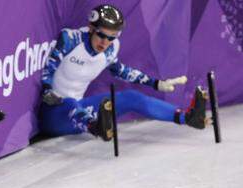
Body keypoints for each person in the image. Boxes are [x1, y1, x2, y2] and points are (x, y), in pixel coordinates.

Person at [38, 4, 210, 142]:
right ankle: (96, 127)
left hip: (80, 110)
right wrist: (47, 91)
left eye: (112, 37)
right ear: (91, 28)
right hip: (53, 114)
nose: (106, 42)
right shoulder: (70, 39)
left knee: (131, 97)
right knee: (69, 103)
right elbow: (49, 68)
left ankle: (187, 117)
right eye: (102, 35)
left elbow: (122, 71)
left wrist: (156, 83)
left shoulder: (111, 48)